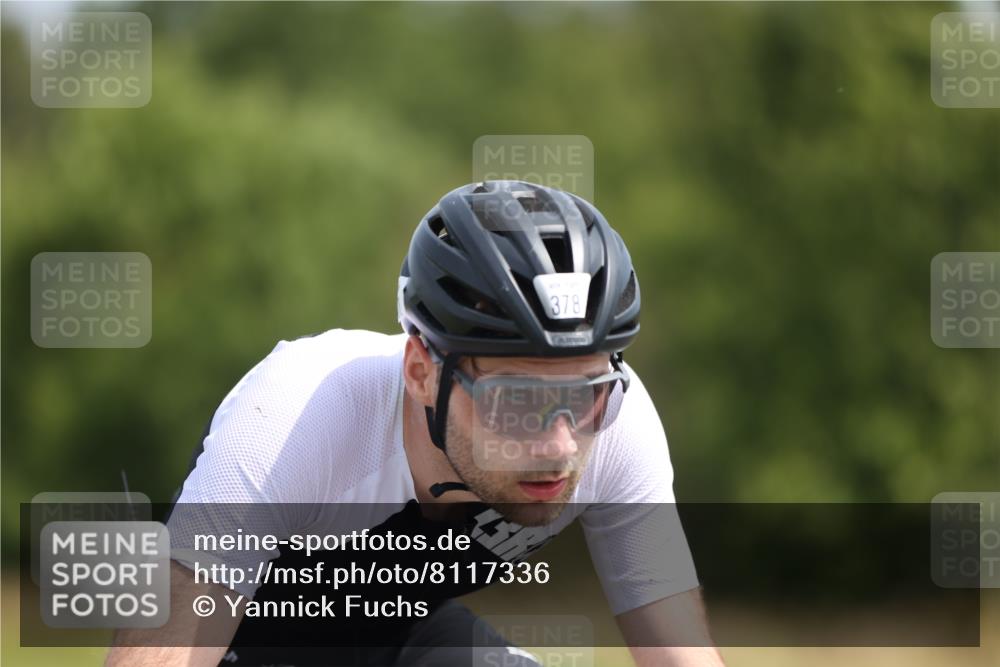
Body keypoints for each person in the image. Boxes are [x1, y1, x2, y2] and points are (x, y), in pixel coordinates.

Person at [106, 180, 726, 667]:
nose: (561, 444)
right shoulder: (296, 417)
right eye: (517, 401)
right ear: (422, 372)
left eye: (587, 396)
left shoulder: (619, 421)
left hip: (392, 636)